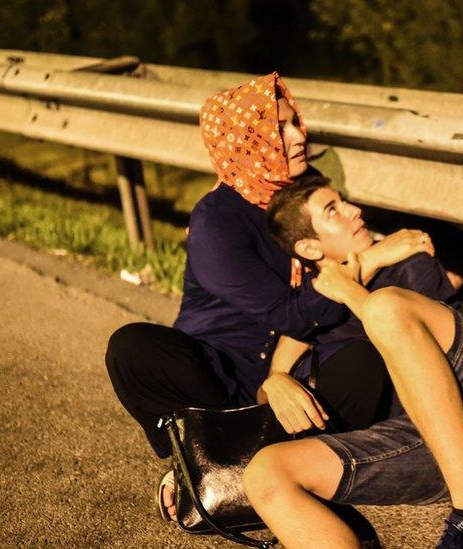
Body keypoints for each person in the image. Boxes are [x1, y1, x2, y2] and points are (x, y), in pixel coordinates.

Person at [104, 73, 434, 521]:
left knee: (361, 363)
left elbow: (340, 254)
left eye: (296, 120)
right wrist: (372, 259)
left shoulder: (302, 189)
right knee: (131, 347)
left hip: (298, 367)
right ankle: (198, 458)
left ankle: (264, 475)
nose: (300, 135)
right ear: (246, 140)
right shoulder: (216, 222)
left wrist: (391, 255)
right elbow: (287, 313)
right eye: (280, 127)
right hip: (221, 375)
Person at [241, 176, 463, 549]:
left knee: (386, 307)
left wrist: (350, 289)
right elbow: (274, 377)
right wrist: (276, 380)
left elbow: (401, 330)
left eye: (344, 201)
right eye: (333, 211)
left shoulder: (404, 260)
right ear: (309, 247)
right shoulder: (313, 303)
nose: (354, 211)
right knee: (266, 473)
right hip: (432, 451)